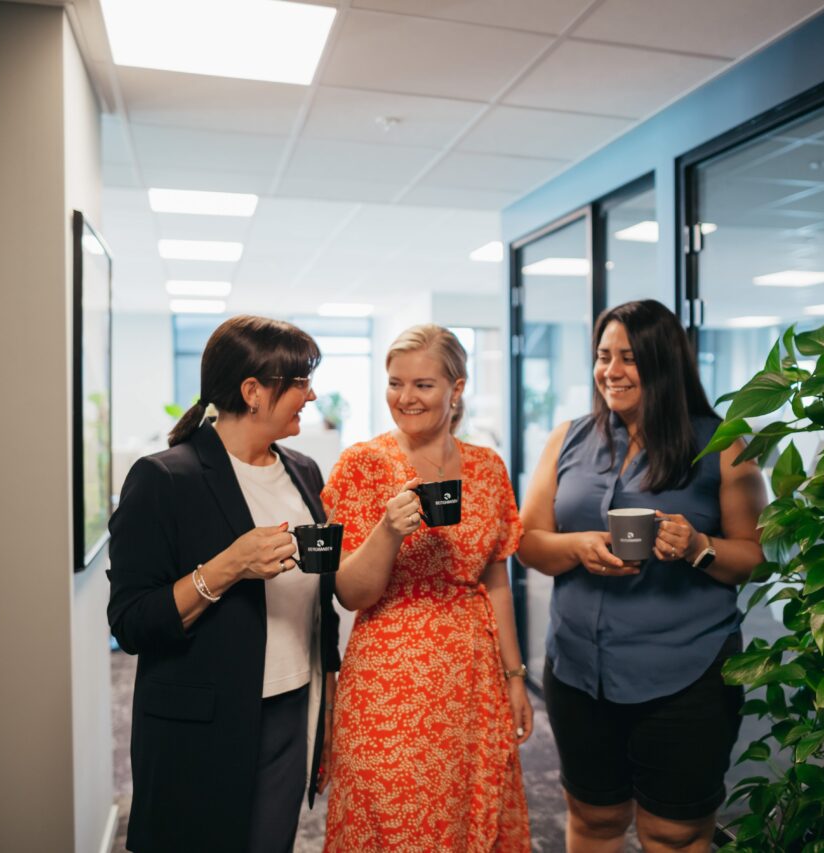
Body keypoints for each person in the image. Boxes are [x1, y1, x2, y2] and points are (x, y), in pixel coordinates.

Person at [517, 299, 766, 853]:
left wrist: (699, 547)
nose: (611, 371)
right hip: (580, 670)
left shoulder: (722, 445)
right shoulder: (569, 439)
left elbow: (754, 556)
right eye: (604, 356)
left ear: (663, 362)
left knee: (673, 833)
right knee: (594, 818)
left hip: (685, 675)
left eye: (629, 358)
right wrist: (579, 547)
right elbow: (529, 542)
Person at [107, 315, 341, 853]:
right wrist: (227, 567)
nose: (311, 394)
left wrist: (328, 697)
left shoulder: (304, 471)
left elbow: (319, 598)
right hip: (200, 727)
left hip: (290, 709)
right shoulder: (165, 479)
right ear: (253, 392)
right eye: (300, 381)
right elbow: (132, 624)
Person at [322, 324, 531, 852]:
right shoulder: (361, 465)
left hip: (472, 674)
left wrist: (514, 677)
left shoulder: (487, 468)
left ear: (456, 389)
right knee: (393, 820)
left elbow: (496, 581)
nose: (405, 398)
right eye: (395, 383)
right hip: (388, 679)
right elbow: (350, 593)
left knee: (465, 818)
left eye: (423, 385)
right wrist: (388, 531)